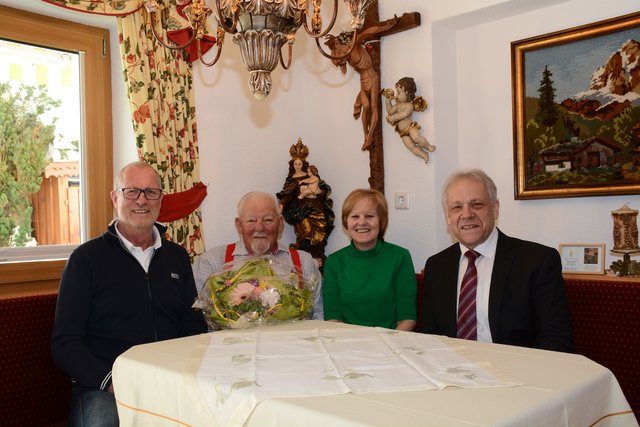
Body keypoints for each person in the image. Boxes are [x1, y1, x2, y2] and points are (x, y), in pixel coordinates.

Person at [51, 161, 207, 426]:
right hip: (104, 387)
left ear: (161, 199)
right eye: (132, 191)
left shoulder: (177, 257)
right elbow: (65, 343)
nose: (142, 200)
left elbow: (192, 325)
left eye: (150, 192)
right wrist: (111, 382)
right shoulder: (86, 259)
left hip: (168, 378)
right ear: (115, 197)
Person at [418, 169, 574, 352]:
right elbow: (429, 337)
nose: (466, 214)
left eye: (476, 204)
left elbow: (556, 340)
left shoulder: (537, 261)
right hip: (452, 372)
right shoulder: (436, 266)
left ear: (495, 208)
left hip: (518, 372)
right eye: (456, 207)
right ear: (449, 217)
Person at [192, 191, 324, 321]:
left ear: (280, 224)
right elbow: (198, 318)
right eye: (251, 220)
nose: (259, 227)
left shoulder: (303, 261)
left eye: (268, 220)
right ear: (239, 225)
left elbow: (319, 314)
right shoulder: (212, 261)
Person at [323, 188, 417, 330]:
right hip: (347, 344)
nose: (362, 222)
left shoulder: (400, 257)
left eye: (369, 216)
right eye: (355, 216)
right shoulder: (334, 262)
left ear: (381, 221)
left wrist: (389, 347)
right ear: (346, 222)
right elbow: (332, 318)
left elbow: (407, 318)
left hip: (392, 343)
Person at [277, 139, 335, 265]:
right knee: (306, 233)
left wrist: (319, 191)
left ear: (303, 164)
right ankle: (306, 259)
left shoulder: (310, 176)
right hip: (301, 211)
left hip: (316, 207)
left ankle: (317, 256)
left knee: (320, 230)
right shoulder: (291, 179)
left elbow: (322, 189)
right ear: (293, 165)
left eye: (299, 164)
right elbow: (286, 195)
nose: (298, 166)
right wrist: (282, 205)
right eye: (295, 164)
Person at [383, 76, 435, 163]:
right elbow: (391, 111)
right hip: (402, 131)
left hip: (410, 127)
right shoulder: (397, 106)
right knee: (411, 147)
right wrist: (388, 102)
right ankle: (423, 154)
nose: (397, 95)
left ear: (407, 93)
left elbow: (404, 114)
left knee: (417, 138)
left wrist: (394, 117)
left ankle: (428, 146)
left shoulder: (409, 105)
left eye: (399, 92)